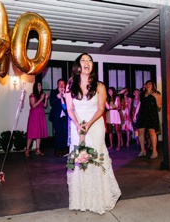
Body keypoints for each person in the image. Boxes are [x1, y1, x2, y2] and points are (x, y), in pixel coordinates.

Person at [65, 53, 120, 214]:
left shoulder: (100, 86)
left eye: (89, 60)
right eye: (83, 60)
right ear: (78, 66)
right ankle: (81, 199)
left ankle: (99, 198)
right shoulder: (70, 85)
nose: (87, 62)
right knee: (79, 159)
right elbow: (70, 108)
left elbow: (101, 109)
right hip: (78, 126)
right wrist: (77, 124)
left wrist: (89, 124)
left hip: (95, 125)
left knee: (96, 157)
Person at [136, 80, 162, 159]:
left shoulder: (156, 93)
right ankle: (143, 150)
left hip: (151, 115)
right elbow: (139, 105)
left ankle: (154, 151)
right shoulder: (142, 94)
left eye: (149, 84)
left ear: (153, 85)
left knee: (152, 132)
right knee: (140, 132)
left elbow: (159, 106)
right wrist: (135, 115)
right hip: (142, 114)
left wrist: (156, 97)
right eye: (147, 84)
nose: (148, 85)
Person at [25, 82, 48, 157]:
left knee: (39, 132)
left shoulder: (41, 95)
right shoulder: (32, 95)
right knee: (32, 132)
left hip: (40, 115)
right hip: (34, 116)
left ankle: (38, 149)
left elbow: (45, 106)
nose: (40, 86)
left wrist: (46, 99)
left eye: (40, 85)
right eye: (38, 85)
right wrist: (41, 98)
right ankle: (27, 149)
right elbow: (33, 105)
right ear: (35, 87)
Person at [49, 79, 69, 156]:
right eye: (60, 84)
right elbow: (51, 103)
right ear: (57, 85)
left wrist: (64, 95)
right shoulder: (53, 92)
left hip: (65, 116)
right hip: (57, 117)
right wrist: (57, 97)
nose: (61, 85)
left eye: (63, 84)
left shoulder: (67, 93)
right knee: (57, 134)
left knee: (65, 133)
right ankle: (57, 150)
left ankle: (64, 149)